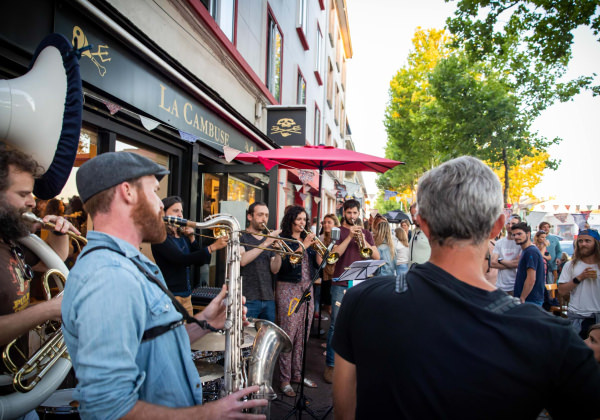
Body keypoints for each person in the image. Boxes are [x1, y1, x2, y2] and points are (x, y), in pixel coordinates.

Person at [331, 156, 600, 419]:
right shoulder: (551, 338)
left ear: (422, 224)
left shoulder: (362, 300)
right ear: (497, 227)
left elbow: (345, 411)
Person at [61, 152, 266, 419]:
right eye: (155, 192)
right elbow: (108, 409)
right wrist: (207, 413)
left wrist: (204, 321)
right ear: (128, 192)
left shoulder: (129, 265)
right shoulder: (109, 276)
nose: (160, 203)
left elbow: (152, 343)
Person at [0, 148, 76, 348]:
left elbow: (54, 260)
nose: (32, 203)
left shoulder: (9, 239)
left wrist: (58, 232)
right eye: (23, 194)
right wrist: (48, 310)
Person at [323, 199, 380, 384]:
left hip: (360, 284)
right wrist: (349, 238)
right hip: (340, 284)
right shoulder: (337, 232)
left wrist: (362, 239)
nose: (352, 216)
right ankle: (331, 365)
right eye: (349, 213)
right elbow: (333, 257)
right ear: (344, 213)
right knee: (336, 325)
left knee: (358, 326)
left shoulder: (366, 233)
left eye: (355, 213)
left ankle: (354, 366)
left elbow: (377, 256)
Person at [151, 196, 228, 316]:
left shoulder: (182, 236)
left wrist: (192, 238)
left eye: (181, 211)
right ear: (164, 213)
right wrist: (212, 247)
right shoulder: (160, 237)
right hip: (170, 296)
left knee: (187, 333)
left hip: (186, 296)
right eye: (175, 211)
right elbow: (181, 259)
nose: (180, 215)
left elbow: (202, 261)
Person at [275, 206, 319, 397]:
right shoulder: (284, 240)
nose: (302, 223)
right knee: (289, 334)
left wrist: (319, 247)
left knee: (303, 334)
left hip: (307, 287)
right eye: (299, 219)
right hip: (288, 288)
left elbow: (319, 264)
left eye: (304, 219)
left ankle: (297, 375)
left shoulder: (307, 238)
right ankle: (284, 379)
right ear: (291, 220)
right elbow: (286, 264)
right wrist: (306, 245)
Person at [239, 201, 282, 322]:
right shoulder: (241, 236)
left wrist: (278, 252)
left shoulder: (268, 239)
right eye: (260, 215)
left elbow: (275, 269)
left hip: (268, 298)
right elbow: (242, 260)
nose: (264, 219)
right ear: (249, 216)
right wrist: (266, 243)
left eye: (266, 215)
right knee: (246, 337)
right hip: (248, 298)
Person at [558, 228, 600, 339]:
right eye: (580, 241)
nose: (583, 244)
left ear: (596, 243)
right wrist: (580, 278)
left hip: (598, 316)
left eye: (587, 241)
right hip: (578, 316)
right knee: (576, 353)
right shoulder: (570, 265)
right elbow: (562, 290)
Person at [511, 222, 546, 306]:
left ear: (528, 234)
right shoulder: (526, 251)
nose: (516, 237)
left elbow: (531, 279)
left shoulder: (531, 251)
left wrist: (522, 298)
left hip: (530, 300)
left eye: (519, 234)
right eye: (514, 235)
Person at [490, 215, 521, 295]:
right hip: (500, 286)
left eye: (513, 223)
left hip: (516, 285)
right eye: (508, 223)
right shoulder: (499, 242)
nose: (510, 226)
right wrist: (512, 264)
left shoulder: (520, 243)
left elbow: (518, 263)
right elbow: (492, 263)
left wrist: (500, 260)